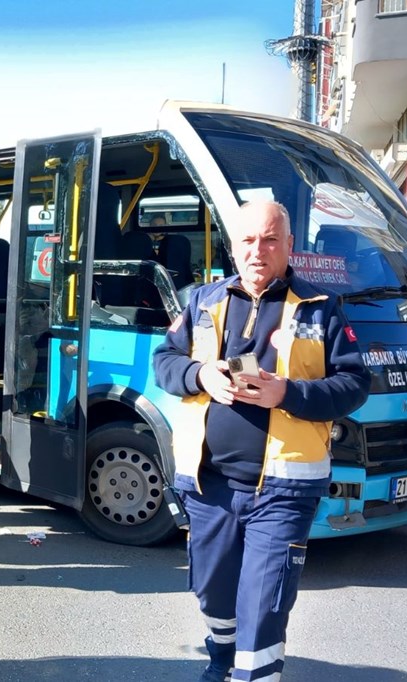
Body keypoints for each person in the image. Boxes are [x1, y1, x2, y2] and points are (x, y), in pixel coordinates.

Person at [153, 200, 369, 682]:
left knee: (263, 601)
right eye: (248, 240)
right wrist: (200, 373)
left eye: (270, 239)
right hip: (208, 486)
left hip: (284, 490)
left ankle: (255, 675)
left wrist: (285, 392)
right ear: (234, 248)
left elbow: (355, 384)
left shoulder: (320, 308)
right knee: (212, 591)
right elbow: (164, 362)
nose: (258, 251)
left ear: (289, 246)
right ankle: (221, 659)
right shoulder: (202, 301)